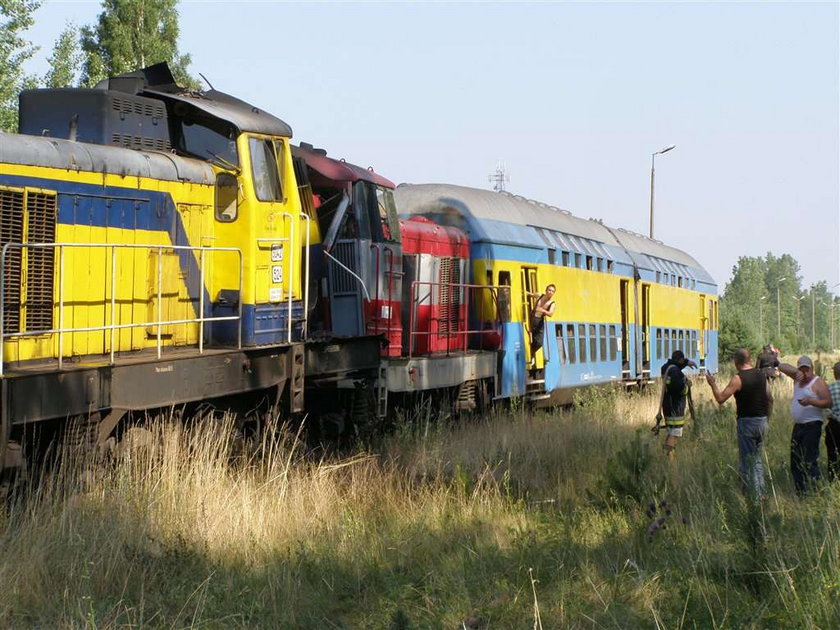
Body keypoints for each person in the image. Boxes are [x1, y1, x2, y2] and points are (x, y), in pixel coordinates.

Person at [705, 348, 773, 499]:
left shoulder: (738, 378)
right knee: (756, 459)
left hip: (747, 423)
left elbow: (721, 398)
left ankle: (754, 497)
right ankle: (759, 492)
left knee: (748, 460)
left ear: (737, 362)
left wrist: (712, 384)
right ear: (749, 359)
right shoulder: (762, 375)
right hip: (762, 421)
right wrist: (766, 418)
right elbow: (770, 398)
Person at [778, 355, 832, 495]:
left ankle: (816, 489)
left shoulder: (817, 382)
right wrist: (796, 373)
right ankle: (801, 491)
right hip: (799, 426)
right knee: (795, 460)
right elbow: (781, 366)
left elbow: (828, 402)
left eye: (807, 369)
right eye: (802, 369)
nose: (805, 373)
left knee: (810, 460)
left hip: (812, 425)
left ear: (812, 369)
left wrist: (811, 401)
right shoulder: (797, 379)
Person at [653, 350, 697, 456]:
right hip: (675, 408)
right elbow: (679, 388)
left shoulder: (666, 368)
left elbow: (674, 367)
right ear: (680, 360)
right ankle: (669, 458)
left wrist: (686, 362)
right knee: (675, 433)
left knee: (671, 431)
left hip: (667, 406)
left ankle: (666, 455)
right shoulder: (676, 373)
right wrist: (687, 386)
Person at [528, 284, 556, 358]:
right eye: (549, 290)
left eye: (552, 291)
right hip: (532, 318)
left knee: (539, 342)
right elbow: (530, 294)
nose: (550, 292)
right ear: (546, 290)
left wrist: (542, 310)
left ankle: (531, 353)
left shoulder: (552, 303)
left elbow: (550, 314)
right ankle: (528, 354)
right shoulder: (540, 296)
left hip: (539, 321)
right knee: (528, 337)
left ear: (553, 293)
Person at [825, 362, 840, 481]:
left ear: (835, 374)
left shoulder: (829, 388)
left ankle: (833, 479)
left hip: (834, 426)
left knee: (832, 455)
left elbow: (825, 409)